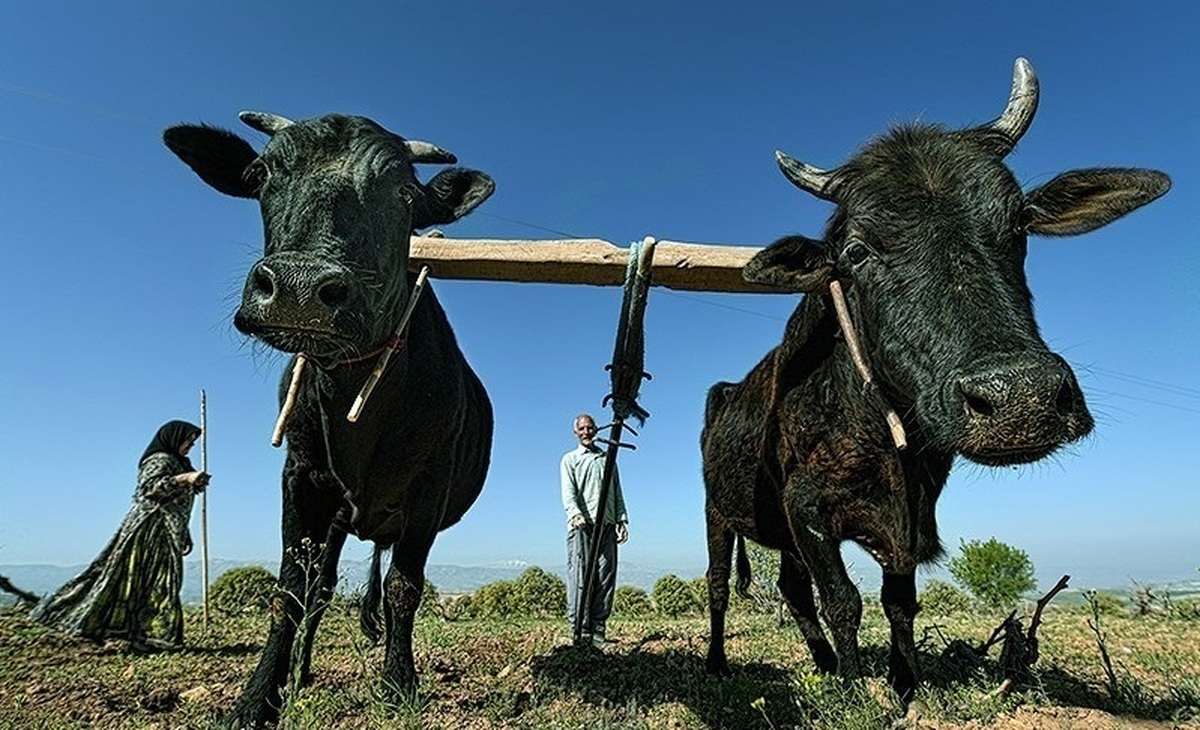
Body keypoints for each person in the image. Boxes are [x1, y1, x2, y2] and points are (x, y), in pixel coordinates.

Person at [31, 420, 211, 651]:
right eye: (189, 441)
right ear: (175, 438)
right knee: (130, 579)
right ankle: (125, 630)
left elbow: (178, 504)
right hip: (148, 530)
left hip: (168, 533)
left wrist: (185, 531)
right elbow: (148, 490)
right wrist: (183, 479)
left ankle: (152, 635)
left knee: (162, 581)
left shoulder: (181, 463)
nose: (190, 446)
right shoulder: (159, 460)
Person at [560, 412, 628, 646]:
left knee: (605, 576)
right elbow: (568, 493)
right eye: (582, 429)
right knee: (580, 578)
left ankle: (599, 630)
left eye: (590, 428)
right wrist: (575, 514)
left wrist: (621, 519)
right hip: (582, 526)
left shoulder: (607, 459)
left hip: (607, 525)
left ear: (597, 430)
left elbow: (617, 490)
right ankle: (579, 630)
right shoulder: (570, 460)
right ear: (575, 433)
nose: (587, 432)